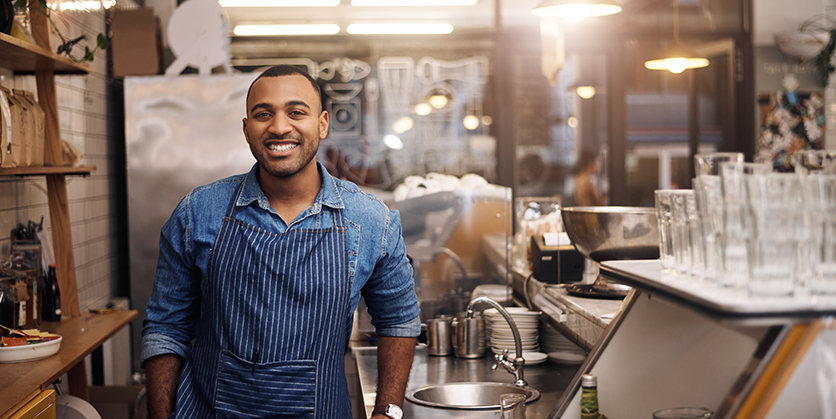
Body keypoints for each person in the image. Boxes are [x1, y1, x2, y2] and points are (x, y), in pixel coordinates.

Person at [141, 65, 420, 419]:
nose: (279, 127)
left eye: (296, 112)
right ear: (246, 130)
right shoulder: (198, 212)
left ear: (322, 124)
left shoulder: (371, 221)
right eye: (263, 114)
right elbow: (167, 326)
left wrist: (388, 411)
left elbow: (398, 320)